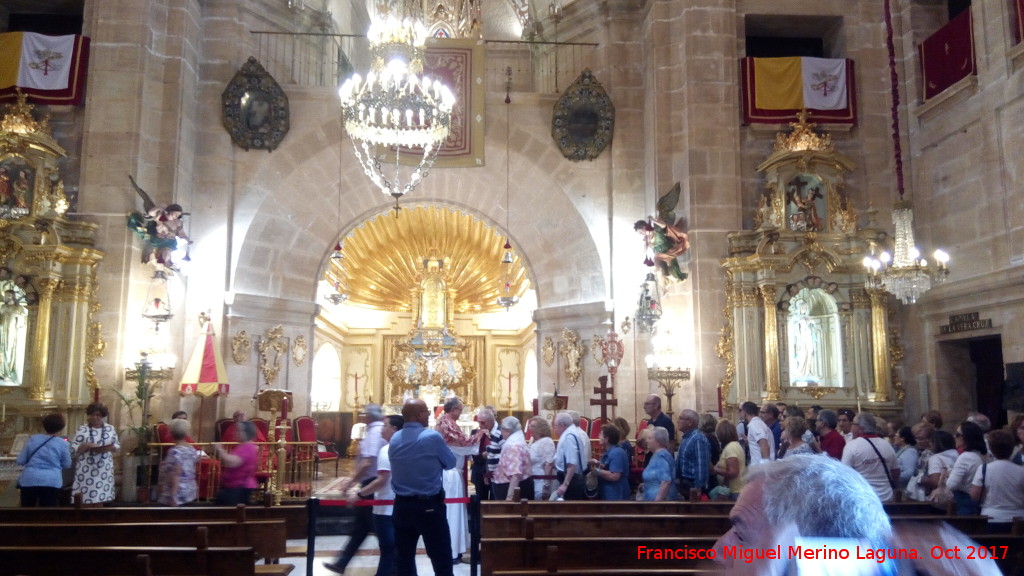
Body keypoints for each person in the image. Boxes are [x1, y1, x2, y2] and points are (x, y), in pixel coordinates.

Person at [388, 399, 456, 576]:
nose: (430, 414)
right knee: (442, 559)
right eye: (427, 411)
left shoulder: (395, 438)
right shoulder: (431, 437)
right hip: (428, 508)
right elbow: (450, 463)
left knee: (403, 561)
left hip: (401, 507)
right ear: (418, 415)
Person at [326, 404, 385, 574]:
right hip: (372, 482)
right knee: (362, 528)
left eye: (365, 414)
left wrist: (351, 482)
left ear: (368, 416)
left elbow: (367, 462)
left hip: (371, 483)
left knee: (374, 526)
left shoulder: (374, 432)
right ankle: (342, 563)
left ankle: (394, 563)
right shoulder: (377, 430)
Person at [346, 414, 403, 576]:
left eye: (385, 425)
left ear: (394, 429)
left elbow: (382, 480)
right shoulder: (407, 447)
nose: (381, 429)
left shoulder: (386, 450)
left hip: (385, 507)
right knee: (397, 551)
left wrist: (359, 494)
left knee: (387, 550)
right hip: (401, 505)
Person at [970, 429, 1024, 533]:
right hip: (1019, 519)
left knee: (993, 547)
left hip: (992, 517)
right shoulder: (1021, 471)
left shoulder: (984, 469)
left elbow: (975, 495)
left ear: (991, 448)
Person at [16, 413, 71, 507]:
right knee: (47, 515)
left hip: (30, 479)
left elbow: (20, 460)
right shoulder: (63, 444)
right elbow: (67, 464)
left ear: (44, 425)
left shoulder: (33, 439)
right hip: (51, 481)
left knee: (26, 513)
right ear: (61, 427)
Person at [842, 412, 899, 502]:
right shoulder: (886, 444)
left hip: (863, 499)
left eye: (853, 424)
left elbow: (844, 474)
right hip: (886, 497)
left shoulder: (852, 446)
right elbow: (895, 471)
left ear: (859, 427)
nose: (851, 427)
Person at [71, 402, 120, 506]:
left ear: (102, 416)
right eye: (92, 414)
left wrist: (111, 447)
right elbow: (73, 447)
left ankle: (98, 519)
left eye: (97, 415)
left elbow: (117, 445)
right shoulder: (83, 429)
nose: (94, 417)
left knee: (100, 498)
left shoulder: (110, 429)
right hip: (86, 468)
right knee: (85, 498)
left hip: (103, 468)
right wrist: (86, 445)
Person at [946, 420, 986, 516]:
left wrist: (947, 475)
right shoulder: (979, 455)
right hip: (975, 501)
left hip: (965, 501)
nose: (955, 437)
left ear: (967, 437)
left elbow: (951, 484)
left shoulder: (966, 457)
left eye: (958, 434)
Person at [214, 420, 258, 505]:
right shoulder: (244, 446)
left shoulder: (247, 447)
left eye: (237, 430)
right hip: (235, 486)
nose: (234, 433)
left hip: (239, 488)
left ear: (245, 433)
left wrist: (220, 449)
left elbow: (231, 462)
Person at [157, 418, 199, 506]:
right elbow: (193, 470)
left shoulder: (175, 452)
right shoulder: (191, 449)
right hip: (189, 491)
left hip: (177, 494)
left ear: (171, 433)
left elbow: (175, 474)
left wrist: (173, 495)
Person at [493, 416, 533, 501]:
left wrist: (510, 497)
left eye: (502, 429)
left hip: (511, 487)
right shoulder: (517, 441)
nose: (501, 432)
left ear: (507, 431)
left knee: (510, 513)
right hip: (518, 485)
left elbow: (516, 474)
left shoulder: (514, 446)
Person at [674, 409, 710, 499]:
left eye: (680, 418)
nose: (678, 421)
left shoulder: (697, 439)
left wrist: (698, 488)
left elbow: (701, 465)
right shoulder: (686, 437)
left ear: (689, 422)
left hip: (692, 485)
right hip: (684, 484)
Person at [553, 412, 588, 500]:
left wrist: (565, 484)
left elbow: (572, 463)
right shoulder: (572, 433)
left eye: (555, 426)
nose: (554, 429)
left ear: (562, 425)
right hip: (573, 479)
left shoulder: (568, 437)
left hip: (572, 482)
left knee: (571, 510)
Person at [590, 424, 630, 500]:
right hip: (609, 491)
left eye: (601, 435)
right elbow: (608, 466)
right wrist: (599, 464)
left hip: (615, 493)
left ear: (607, 439)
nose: (598, 437)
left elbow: (614, 476)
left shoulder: (617, 452)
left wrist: (597, 471)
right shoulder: (610, 451)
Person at [639, 426, 676, 501]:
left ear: (658, 441)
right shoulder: (659, 454)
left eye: (650, 438)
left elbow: (666, 481)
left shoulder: (661, 457)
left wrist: (657, 503)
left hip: (659, 505)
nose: (647, 441)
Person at [711, 419, 745, 500]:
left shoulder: (731, 447)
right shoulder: (734, 445)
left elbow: (734, 472)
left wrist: (715, 469)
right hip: (733, 489)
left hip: (735, 490)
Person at [0, 286, 27, 383]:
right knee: (2, 350)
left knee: (9, 350)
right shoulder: (3, 307)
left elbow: (23, 321)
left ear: (13, 296)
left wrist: (17, 316)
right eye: (6, 295)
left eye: (9, 295)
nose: (7, 297)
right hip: (2, 332)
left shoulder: (18, 308)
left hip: (12, 332)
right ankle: (2, 372)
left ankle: (9, 372)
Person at [527, 416, 556, 500]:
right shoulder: (534, 442)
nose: (530, 428)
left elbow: (548, 464)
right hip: (532, 481)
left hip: (540, 482)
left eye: (533, 426)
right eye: (530, 426)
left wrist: (546, 485)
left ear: (540, 429)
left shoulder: (546, 442)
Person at [738, 401, 774, 466]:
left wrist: (765, 468)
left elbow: (764, 443)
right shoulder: (759, 423)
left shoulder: (754, 425)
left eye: (741, 411)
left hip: (761, 470)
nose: (740, 414)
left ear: (744, 412)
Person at [893, 425, 919, 491]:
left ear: (903, 438)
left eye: (897, 434)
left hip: (905, 489)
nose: (894, 437)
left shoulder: (910, 452)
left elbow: (909, 473)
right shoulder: (901, 450)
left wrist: (892, 476)